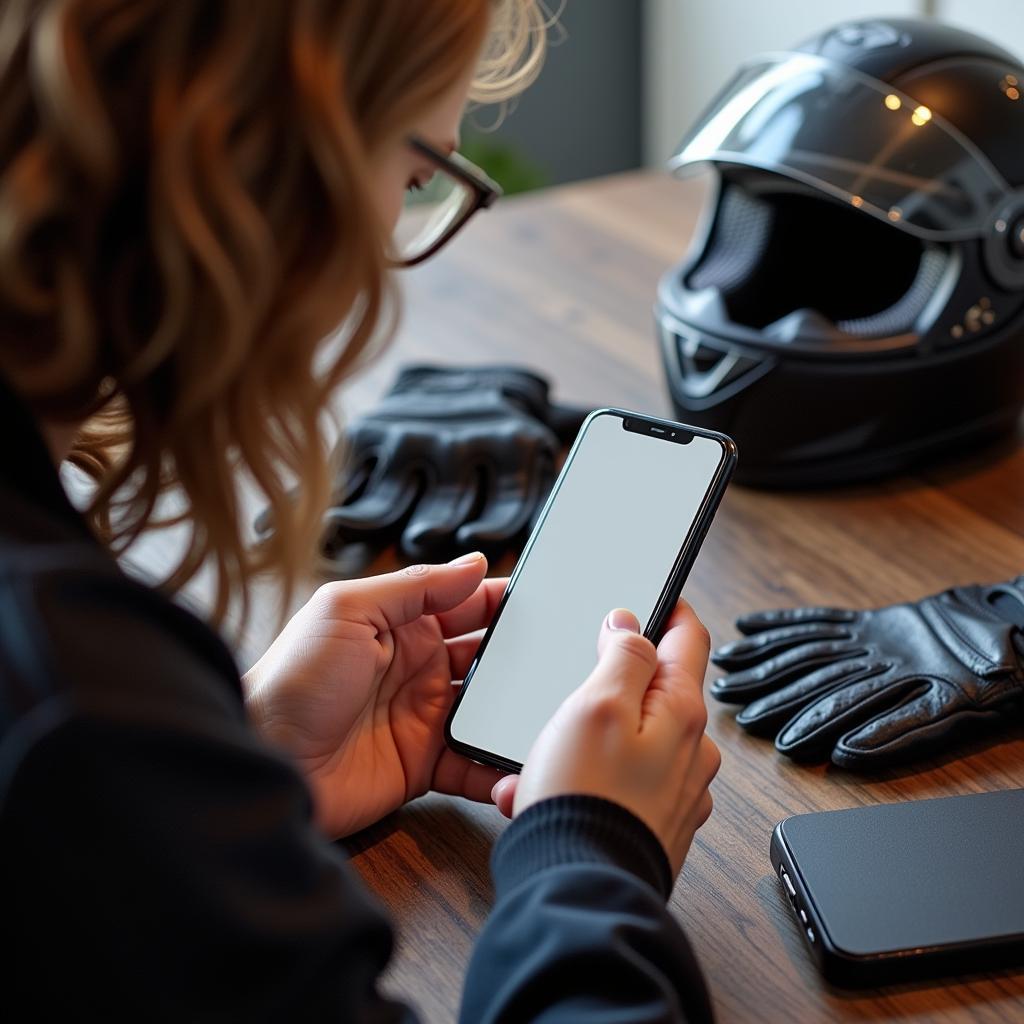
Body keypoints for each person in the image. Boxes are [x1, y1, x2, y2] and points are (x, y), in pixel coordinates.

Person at [0, 2, 720, 1020]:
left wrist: (230, 765)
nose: (391, 240)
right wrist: (590, 853)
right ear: (250, 160)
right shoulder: (75, 702)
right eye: (418, 173)